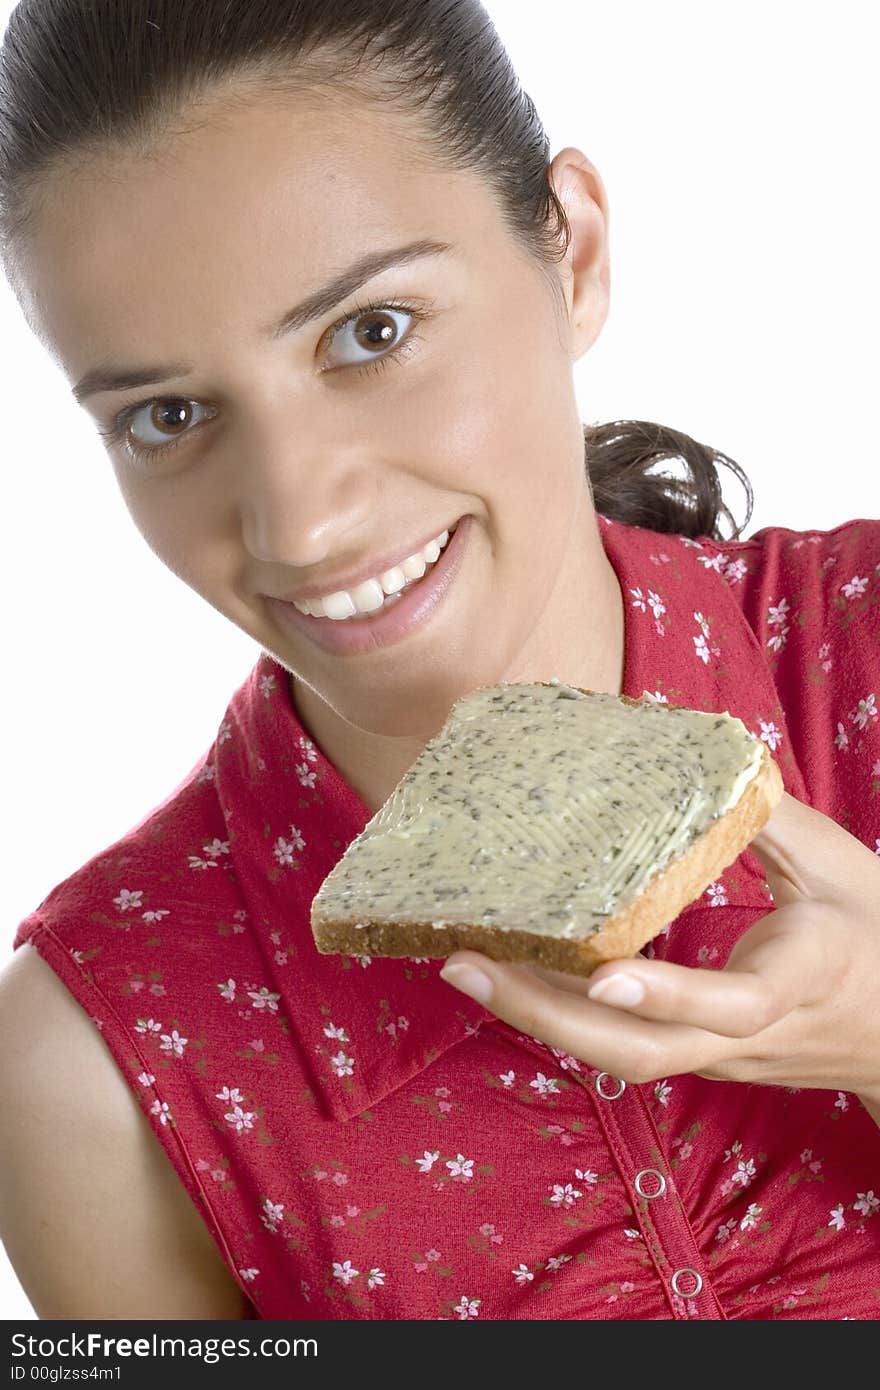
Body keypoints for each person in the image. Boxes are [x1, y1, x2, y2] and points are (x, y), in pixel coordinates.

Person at [0, 0, 877, 1323]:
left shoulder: (858, 647)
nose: (300, 521)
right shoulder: (92, 1065)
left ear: (571, 252)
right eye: (169, 415)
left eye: (371, 331)